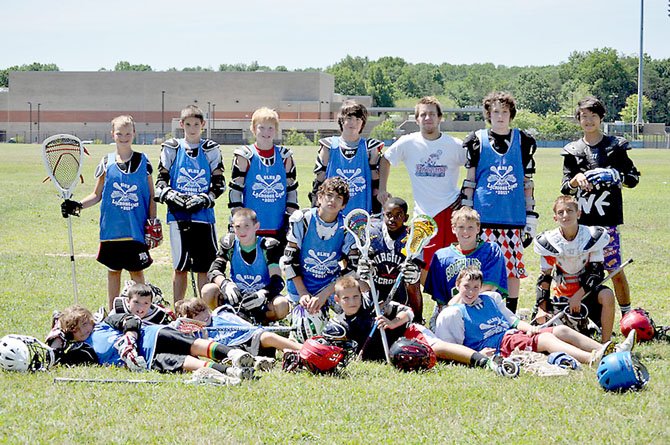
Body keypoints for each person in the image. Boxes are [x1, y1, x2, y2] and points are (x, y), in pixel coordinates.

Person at [434, 267, 633, 366]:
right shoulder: (453, 314)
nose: (471, 291)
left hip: (511, 335)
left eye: (475, 287)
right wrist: (477, 355)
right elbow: (452, 348)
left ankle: (610, 350)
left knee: (561, 329)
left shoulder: (490, 299)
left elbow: (513, 320)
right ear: (458, 285)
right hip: (498, 345)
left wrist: (529, 328)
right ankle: (593, 359)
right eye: (466, 287)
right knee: (546, 339)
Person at [61, 115, 160, 309]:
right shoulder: (106, 162)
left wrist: (153, 223)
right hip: (112, 231)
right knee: (113, 272)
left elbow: (150, 196)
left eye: (128, 133)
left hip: (135, 230)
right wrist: (77, 205)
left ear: (134, 134)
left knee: (137, 273)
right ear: (112, 135)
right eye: (119, 133)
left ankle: (143, 310)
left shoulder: (143, 161)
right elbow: (97, 195)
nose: (124, 137)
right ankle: (114, 312)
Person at [330, 276, 521, 375]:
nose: (352, 301)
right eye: (346, 298)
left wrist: (391, 322)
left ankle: (486, 362)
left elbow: (409, 312)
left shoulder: (373, 306)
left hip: (410, 334)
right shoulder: (338, 324)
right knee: (442, 360)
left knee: (438, 349)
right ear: (337, 300)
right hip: (399, 353)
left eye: (355, 296)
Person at [561, 96, 641, 317]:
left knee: (615, 269)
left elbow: (633, 179)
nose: (588, 121)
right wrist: (575, 180)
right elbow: (565, 188)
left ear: (601, 118)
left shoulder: (615, 146)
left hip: (607, 221)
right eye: (584, 116)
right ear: (578, 119)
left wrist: (618, 175)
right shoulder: (572, 150)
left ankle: (627, 316)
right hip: (582, 223)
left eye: (593, 116)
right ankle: (586, 316)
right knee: (581, 271)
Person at [460, 92, 538, 314]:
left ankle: (510, 311)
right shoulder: (477, 140)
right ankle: (480, 308)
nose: (500, 116)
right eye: (495, 112)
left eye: (504, 111)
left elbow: (527, 181)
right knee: (481, 267)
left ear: (511, 114)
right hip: (483, 217)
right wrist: (467, 212)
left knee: (512, 268)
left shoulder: (523, 141)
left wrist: (530, 214)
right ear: (488, 114)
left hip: (512, 216)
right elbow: (470, 180)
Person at [46, 305, 257, 379]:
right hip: (146, 359)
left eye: (85, 323)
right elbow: (63, 359)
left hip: (153, 335)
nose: (84, 329)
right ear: (71, 334)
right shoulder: (84, 349)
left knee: (193, 345)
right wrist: (57, 336)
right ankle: (229, 372)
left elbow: (130, 320)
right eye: (77, 328)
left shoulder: (104, 323)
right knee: (186, 362)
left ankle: (233, 355)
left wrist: (130, 337)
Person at [378, 96, 466, 272]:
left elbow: (476, 166)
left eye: (432, 114)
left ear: (440, 117)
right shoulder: (408, 142)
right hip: (423, 214)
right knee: (420, 265)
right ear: (417, 119)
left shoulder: (454, 144)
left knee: (451, 264)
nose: (428, 118)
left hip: (449, 210)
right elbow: (386, 159)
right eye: (423, 114)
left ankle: (448, 300)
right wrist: (382, 189)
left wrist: (465, 192)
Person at [154, 105, 225, 303]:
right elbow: (160, 181)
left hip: (203, 217)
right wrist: (171, 195)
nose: (192, 128)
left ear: (203, 125)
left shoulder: (210, 149)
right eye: (188, 124)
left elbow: (219, 184)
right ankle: (178, 308)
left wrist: (204, 198)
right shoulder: (172, 148)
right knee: (180, 266)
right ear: (181, 125)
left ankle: (204, 308)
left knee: (204, 267)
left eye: (196, 124)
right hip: (178, 216)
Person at [533, 195, 616, 342]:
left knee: (608, 295)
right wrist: (542, 308)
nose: (565, 215)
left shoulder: (592, 236)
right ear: (555, 218)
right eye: (561, 212)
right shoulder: (549, 241)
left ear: (578, 213)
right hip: (562, 296)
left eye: (570, 211)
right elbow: (544, 278)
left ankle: (606, 342)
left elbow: (596, 273)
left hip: (587, 293)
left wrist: (578, 295)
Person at [424, 207, 508, 330]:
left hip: (482, 311)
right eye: (461, 227)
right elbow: (440, 298)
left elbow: (489, 287)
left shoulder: (491, 250)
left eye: (470, 227)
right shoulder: (441, 256)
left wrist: (455, 303)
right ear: (453, 229)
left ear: (478, 228)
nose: (466, 232)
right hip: (452, 314)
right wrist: (450, 310)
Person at [201, 208, 290, 324]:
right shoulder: (230, 244)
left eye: (247, 226)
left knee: (282, 305)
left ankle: (263, 322)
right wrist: (225, 284)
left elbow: (277, 280)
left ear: (256, 226)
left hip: (262, 297)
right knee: (208, 290)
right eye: (238, 227)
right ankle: (224, 318)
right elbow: (214, 270)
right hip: (235, 297)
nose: (242, 231)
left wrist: (263, 294)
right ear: (232, 227)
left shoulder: (268, 247)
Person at [280, 177, 354, 315]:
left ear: (343, 204)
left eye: (338, 198)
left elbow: (352, 269)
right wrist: (302, 293)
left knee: (351, 311)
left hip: (330, 286)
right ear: (319, 197)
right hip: (300, 286)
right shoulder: (303, 219)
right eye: (329, 195)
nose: (332, 200)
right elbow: (289, 261)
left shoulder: (346, 228)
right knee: (299, 318)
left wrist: (325, 294)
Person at [228, 107, 299, 245]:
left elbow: (291, 192)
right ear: (254, 129)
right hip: (251, 228)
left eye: (271, 128)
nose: (266, 132)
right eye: (262, 127)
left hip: (278, 225)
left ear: (276, 130)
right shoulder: (244, 155)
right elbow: (235, 192)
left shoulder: (285, 156)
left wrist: (291, 220)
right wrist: (239, 221)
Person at [353, 197, 424, 321]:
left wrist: (412, 272)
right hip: (375, 289)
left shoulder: (412, 237)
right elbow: (354, 264)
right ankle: (357, 318)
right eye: (389, 215)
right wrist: (364, 267)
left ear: (406, 218)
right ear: (383, 215)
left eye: (398, 215)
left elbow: (416, 268)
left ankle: (417, 320)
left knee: (413, 280)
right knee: (357, 280)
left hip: (399, 290)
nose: (392, 219)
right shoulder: (371, 232)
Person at [309, 100, 384, 216]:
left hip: (362, 213)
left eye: (358, 119)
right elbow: (319, 181)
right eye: (349, 118)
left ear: (363, 123)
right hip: (331, 215)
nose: (353, 122)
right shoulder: (328, 146)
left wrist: (377, 212)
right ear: (341, 120)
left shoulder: (370, 147)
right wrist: (315, 207)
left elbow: (376, 185)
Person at [174, 298, 301, 359]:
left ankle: (304, 350)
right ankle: (258, 361)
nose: (204, 316)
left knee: (267, 336)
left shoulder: (222, 315)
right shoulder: (196, 334)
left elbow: (247, 327)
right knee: (237, 357)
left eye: (203, 310)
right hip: (229, 350)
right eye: (196, 315)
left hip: (248, 338)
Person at [108, 282, 174, 325]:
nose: (141, 307)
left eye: (146, 303)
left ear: (151, 303)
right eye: (136, 302)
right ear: (128, 301)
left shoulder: (157, 316)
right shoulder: (119, 310)